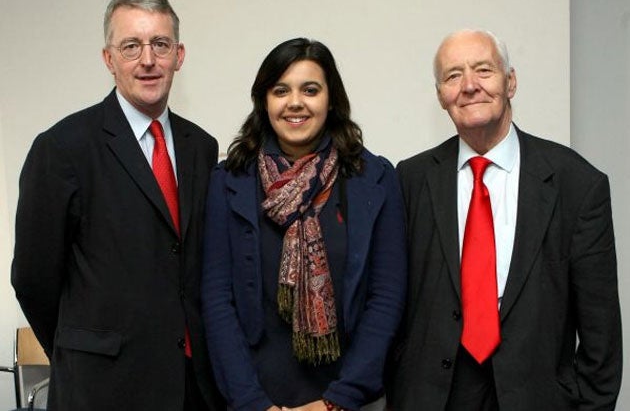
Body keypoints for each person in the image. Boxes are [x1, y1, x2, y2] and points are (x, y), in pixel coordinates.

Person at [11, 0, 224, 411]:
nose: (148, 60)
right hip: (101, 389)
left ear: (179, 55)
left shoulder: (201, 146)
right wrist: (82, 353)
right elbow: (33, 280)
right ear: (109, 59)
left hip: (190, 387)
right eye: (131, 46)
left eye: (160, 44)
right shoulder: (63, 148)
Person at [388, 29, 622, 410]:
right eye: (453, 76)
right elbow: (390, 303)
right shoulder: (410, 180)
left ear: (510, 82)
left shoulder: (577, 184)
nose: (469, 86)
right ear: (441, 96)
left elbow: (602, 336)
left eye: (483, 70)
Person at [200, 38, 407, 411]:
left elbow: (387, 296)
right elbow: (217, 300)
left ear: (331, 99)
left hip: (349, 397)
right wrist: (252, 402)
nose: (295, 102)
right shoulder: (229, 181)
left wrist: (338, 400)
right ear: (264, 101)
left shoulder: (373, 178)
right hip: (254, 397)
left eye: (310, 90)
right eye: (281, 91)